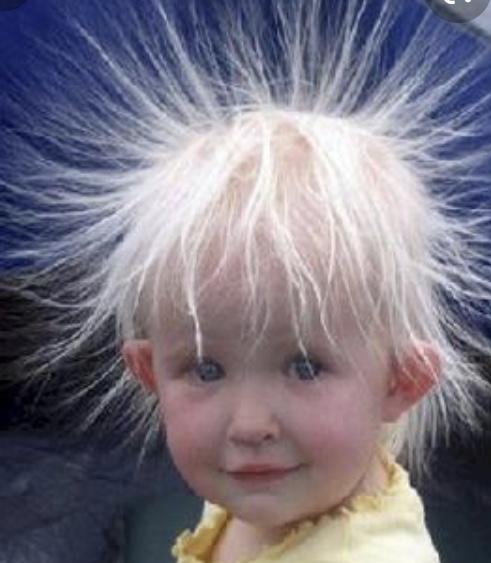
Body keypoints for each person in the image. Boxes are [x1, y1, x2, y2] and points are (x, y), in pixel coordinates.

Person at [3, 1, 491, 562]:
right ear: (149, 371)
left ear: (402, 381)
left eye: (305, 367)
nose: (249, 424)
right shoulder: (281, 484)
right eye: (206, 369)